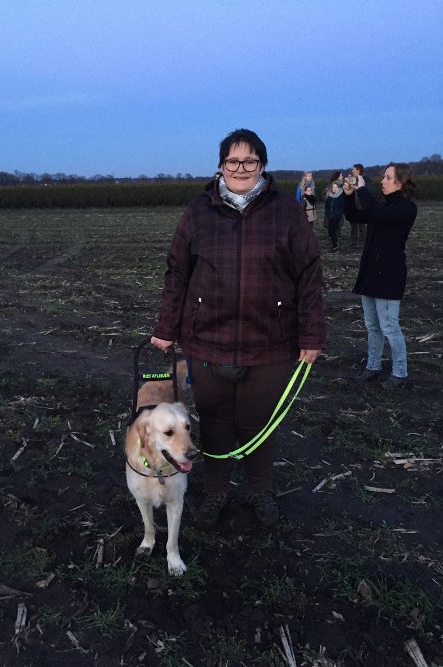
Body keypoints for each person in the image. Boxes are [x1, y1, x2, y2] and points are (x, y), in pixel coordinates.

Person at [151, 129, 326, 529]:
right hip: (207, 341)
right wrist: (166, 326)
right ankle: (214, 494)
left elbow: (309, 276)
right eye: (233, 161)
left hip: (271, 343)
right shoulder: (198, 212)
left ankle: (260, 490)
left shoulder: (286, 212)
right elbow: (177, 272)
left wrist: (312, 335)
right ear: (221, 166)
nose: (241, 168)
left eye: (250, 161)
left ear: (262, 166)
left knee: (258, 426)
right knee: (214, 423)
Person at [344, 163, 417, 390]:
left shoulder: (406, 208)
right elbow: (355, 215)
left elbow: (379, 213)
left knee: (389, 327)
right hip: (370, 274)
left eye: (387, 177)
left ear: (400, 182)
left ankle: (400, 373)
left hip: (389, 275)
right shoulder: (382, 207)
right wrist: (348, 196)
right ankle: (373, 366)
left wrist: (362, 189)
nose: (382, 181)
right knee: (372, 326)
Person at [344, 163, 373, 247]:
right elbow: (349, 192)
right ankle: (354, 241)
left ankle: (363, 242)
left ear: (358, 170)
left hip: (362, 205)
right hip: (353, 205)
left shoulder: (365, 179)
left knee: (362, 225)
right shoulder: (352, 178)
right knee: (353, 224)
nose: (352, 170)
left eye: (353, 169)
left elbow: (367, 191)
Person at [324, 181, 344, 250]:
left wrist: (338, 213)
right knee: (330, 231)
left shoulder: (341, 196)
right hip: (330, 216)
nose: (334, 188)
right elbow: (326, 206)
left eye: (336, 187)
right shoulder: (329, 196)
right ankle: (334, 243)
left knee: (333, 230)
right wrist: (327, 213)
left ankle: (335, 245)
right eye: (333, 187)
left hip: (337, 216)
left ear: (338, 188)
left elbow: (342, 207)